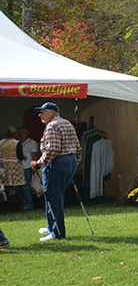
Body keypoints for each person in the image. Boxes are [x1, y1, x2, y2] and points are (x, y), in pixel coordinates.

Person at [30, 102, 81, 242]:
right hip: (70, 161)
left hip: (57, 162)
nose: (40, 114)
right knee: (55, 195)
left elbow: (53, 149)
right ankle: (51, 225)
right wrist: (75, 162)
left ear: (52, 112)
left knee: (53, 197)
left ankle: (57, 232)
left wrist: (39, 163)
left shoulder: (52, 125)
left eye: (43, 111)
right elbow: (78, 146)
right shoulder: (67, 123)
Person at [0, 126, 24, 210]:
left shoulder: (1, 142)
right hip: (14, 166)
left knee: (3, 187)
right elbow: (20, 156)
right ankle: (11, 206)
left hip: (3, 166)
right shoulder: (17, 143)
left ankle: (3, 205)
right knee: (13, 188)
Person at [18, 127, 39, 210]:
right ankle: (22, 204)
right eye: (19, 132)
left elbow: (34, 156)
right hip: (20, 167)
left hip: (27, 167)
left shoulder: (32, 143)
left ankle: (28, 205)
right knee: (20, 187)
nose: (20, 134)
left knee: (26, 187)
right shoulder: (20, 143)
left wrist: (33, 167)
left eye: (22, 132)